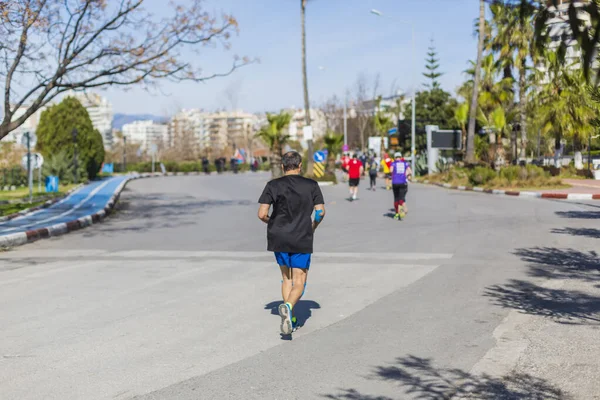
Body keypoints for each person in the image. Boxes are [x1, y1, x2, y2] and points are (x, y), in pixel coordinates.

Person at [258, 151, 326, 335]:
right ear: (300, 165)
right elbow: (320, 212)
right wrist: (313, 226)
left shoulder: (272, 185)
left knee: (286, 277)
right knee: (300, 280)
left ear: (282, 166)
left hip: (278, 236)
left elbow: (262, 214)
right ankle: (288, 306)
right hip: (301, 237)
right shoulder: (311, 185)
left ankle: (290, 316)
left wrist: (272, 222)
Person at [390, 151, 412, 220]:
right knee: (401, 198)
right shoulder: (405, 163)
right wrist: (407, 175)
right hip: (403, 183)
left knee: (396, 199)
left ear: (395, 157)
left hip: (395, 183)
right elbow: (410, 171)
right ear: (401, 157)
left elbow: (391, 171)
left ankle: (396, 213)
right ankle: (404, 211)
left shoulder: (393, 163)